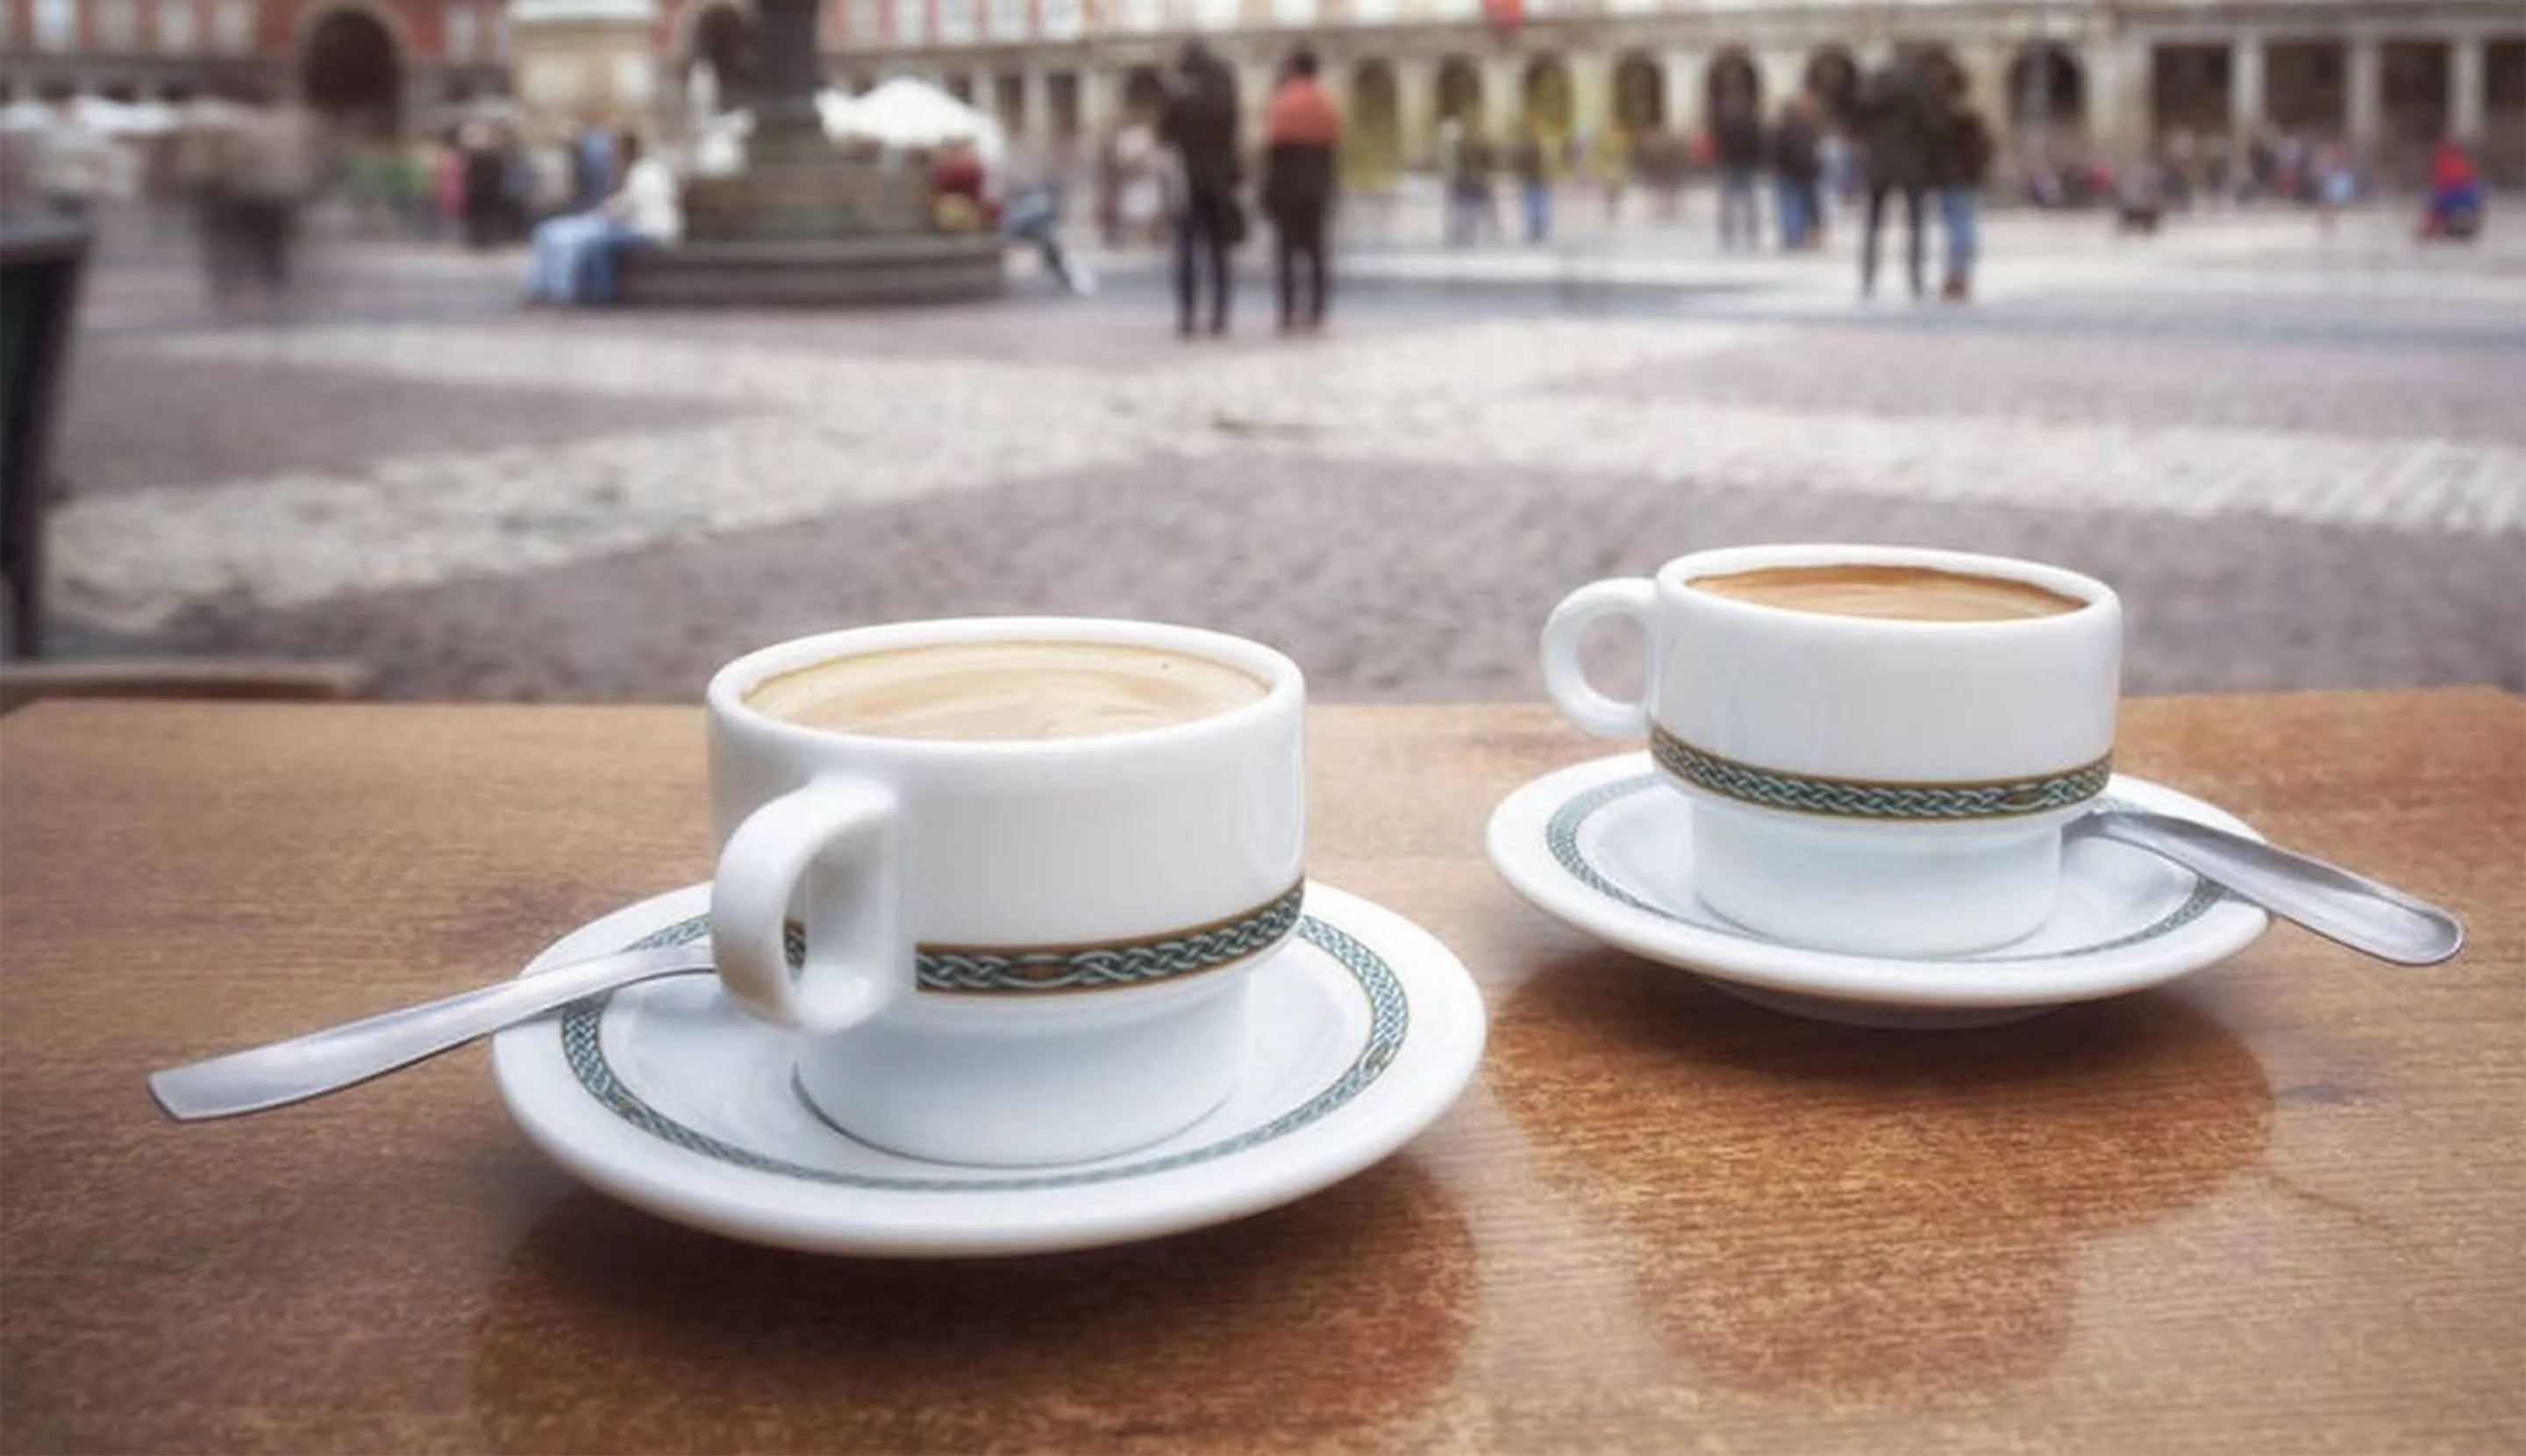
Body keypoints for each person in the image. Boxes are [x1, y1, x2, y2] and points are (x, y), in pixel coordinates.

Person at [524, 132, 681, 306]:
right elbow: (626, 199)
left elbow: (630, 203)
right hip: (645, 227)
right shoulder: (644, 170)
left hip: (650, 231)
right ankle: (576, 291)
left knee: (597, 246)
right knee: (594, 242)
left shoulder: (643, 172)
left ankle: (602, 296)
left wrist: (607, 210)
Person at [1160, 41, 1242, 337]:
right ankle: (1220, 316)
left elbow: (1164, 133)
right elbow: (1233, 131)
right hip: (1220, 179)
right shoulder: (1224, 87)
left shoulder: (1180, 90)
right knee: (1219, 252)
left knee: (1187, 252)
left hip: (1188, 181)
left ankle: (1188, 316)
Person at [1260, 46, 1340, 334]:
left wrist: (1267, 193)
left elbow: (1273, 153)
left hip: (1288, 189)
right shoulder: (1326, 103)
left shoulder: (1283, 102)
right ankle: (1316, 311)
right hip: (1317, 188)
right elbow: (1332, 151)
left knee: (1285, 253)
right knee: (1317, 251)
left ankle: (1287, 311)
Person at [1853, 57, 1940, 298]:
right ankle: (1916, 278)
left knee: (1872, 225)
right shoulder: (1917, 89)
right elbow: (1932, 124)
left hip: (1878, 163)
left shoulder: (1871, 90)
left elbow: (1858, 119)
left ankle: (1867, 277)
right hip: (1910, 163)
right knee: (1915, 225)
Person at [1935, 77, 1992, 300]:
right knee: (1962, 225)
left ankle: (1957, 275)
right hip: (1966, 177)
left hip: (1953, 177)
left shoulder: (1946, 121)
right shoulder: (1972, 120)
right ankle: (1959, 274)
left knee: (1958, 226)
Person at [1772, 95, 1823, 249]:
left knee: (1791, 205)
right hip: (1801, 172)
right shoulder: (1808, 129)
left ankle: (1793, 235)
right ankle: (1796, 234)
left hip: (1790, 171)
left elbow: (1775, 150)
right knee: (1799, 205)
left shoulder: (1783, 129)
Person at [1713, 96, 1764, 250]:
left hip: (1730, 164)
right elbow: (1758, 143)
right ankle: (1751, 232)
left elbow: (1719, 143)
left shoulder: (1725, 124)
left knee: (1729, 201)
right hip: (1744, 164)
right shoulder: (1750, 123)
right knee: (1748, 201)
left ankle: (1728, 233)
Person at [2419, 139, 2484, 241]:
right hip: (2462, 199)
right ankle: (2460, 225)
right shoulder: (2463, 164)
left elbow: (2439, 185)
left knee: (2437, 207)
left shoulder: (2444, 164)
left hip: (2451, 198)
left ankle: (2448, 227)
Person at [1510, 125, 1551, 244]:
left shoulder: (1529, 153)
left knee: (1535, 207)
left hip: (1534, 182)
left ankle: (1537, 230)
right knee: (1534, 207)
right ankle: (1536, 230)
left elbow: (1520, 166)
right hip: (1533, 182)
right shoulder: (1531, 153)